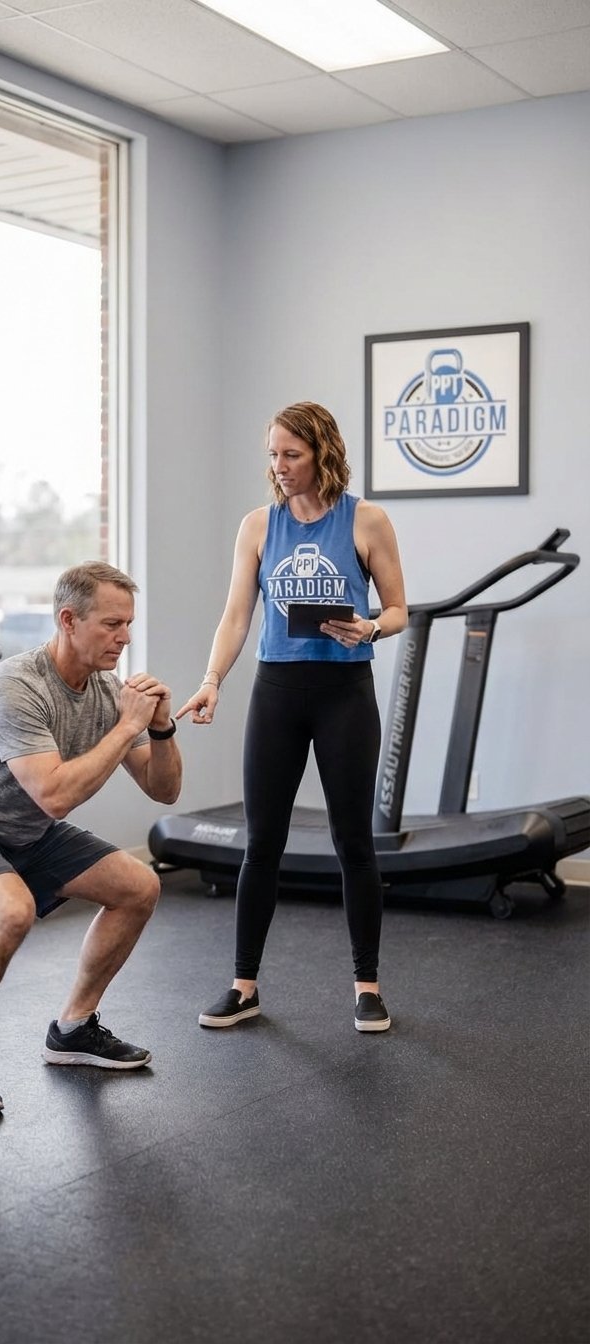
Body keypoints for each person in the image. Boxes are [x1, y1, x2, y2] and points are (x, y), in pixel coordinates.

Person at [0, 561, 182, 1116]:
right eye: (111, 624)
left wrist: (160, 728)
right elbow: (53, 795)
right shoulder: (16, 686)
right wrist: (128, 725)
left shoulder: (107, 691)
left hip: (26, 830)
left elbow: (163, 789)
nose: (125, 637)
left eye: (128, 624)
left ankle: (74, 1028)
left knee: (138, 886)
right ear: (68, 620)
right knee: (10, 913)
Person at [176, 401, 407, 1033]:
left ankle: (367, 988)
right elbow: (236, 617)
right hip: (276, 692)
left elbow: (398, 610)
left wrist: (369, 628)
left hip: (344, 693)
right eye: (273, 455)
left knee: (353, 842)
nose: (279, 466)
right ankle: (243, 986)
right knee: (262, 844)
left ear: (322, 454)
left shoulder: (366, 520)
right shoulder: (258, 526)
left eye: (291, 455)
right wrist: (212, 681)